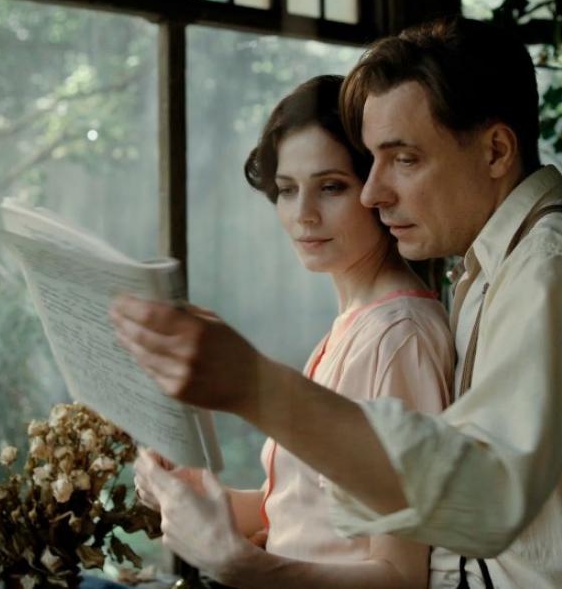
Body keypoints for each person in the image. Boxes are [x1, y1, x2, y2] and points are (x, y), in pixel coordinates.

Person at [111, 18, 562, 589]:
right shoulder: (497, 272)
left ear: (496, 151)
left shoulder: (556, 265)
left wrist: (255, 389)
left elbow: (488, 491)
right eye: (372, 161)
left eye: (404, 159)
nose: (374, 192)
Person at [129, 75, 453, 589]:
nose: (303, 215)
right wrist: (197, 494)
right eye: (286, 190)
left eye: (331, 186)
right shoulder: (353, 325)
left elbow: (400, 575)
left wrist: (246, 567)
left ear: (376, 188)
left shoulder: (398, 338)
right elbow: (303, 511)